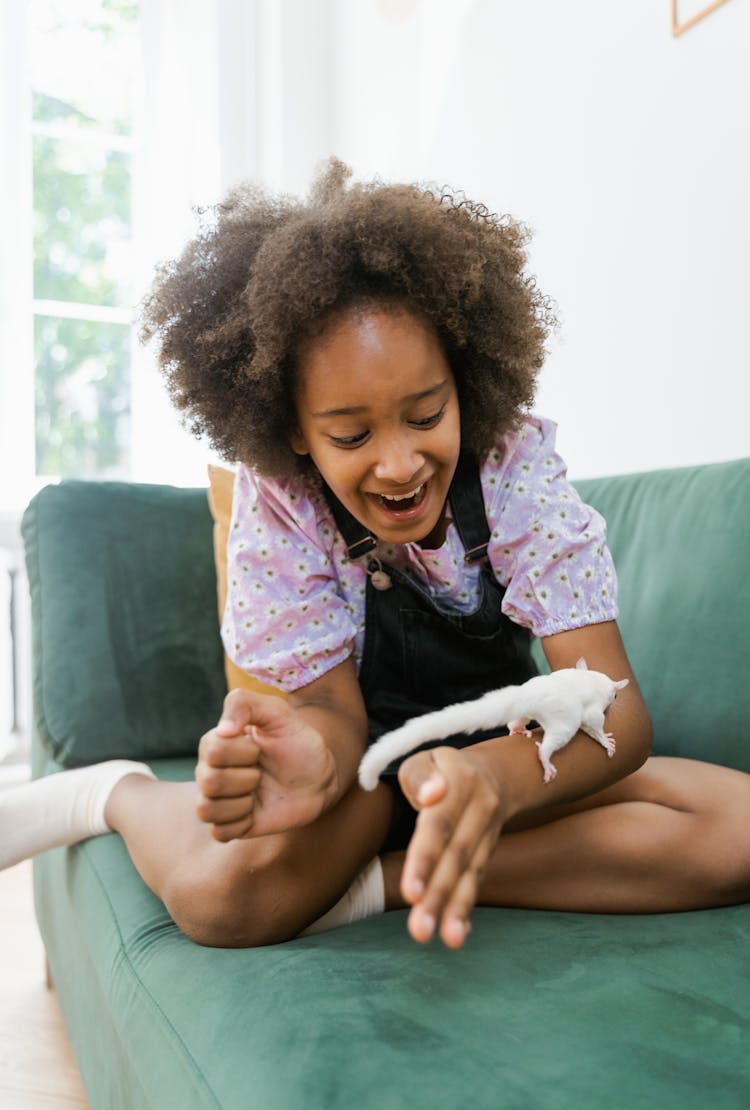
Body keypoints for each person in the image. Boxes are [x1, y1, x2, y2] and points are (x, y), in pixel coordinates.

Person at [3, 160, 749, 949]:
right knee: (224, 903)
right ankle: (114, 794)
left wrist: (489, 781)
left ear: (464, 384)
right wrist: (316, 765)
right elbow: (334, 718)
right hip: (365, 763)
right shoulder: (282, 499)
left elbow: (618, 714)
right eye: (351, 436)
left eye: (426, 414)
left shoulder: (511, 465)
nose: (398, 464)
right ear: (293, 432)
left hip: (509, 751)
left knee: (737, 828)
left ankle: (387, 882)